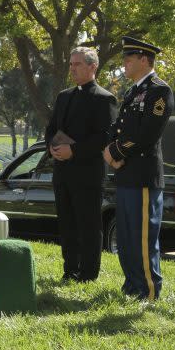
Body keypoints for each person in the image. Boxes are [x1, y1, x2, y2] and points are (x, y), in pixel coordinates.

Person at [104, 37, 173, 300]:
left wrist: (116, 152)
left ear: (144, 59)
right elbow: (118, 127)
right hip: (126, 173)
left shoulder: (159, 90)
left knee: (143, 236)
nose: (124, 64)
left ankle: (148, 289)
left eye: (128, 59)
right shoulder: (134, 91)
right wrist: (108, 149)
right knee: (127, 235)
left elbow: (147, 133)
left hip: (144, 174)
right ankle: (132, 284)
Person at [45, 47, 117, 282]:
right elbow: (52, 128)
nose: (72, 68)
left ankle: (88, 273)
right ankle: (70, 269)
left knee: (87, 224)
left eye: (77, 64)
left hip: (87, 173)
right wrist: (52, 148)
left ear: (92, 67)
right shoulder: (64, 96)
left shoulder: (104, 98)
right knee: (66, 223)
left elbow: (104, 137)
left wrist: (73, 151)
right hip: (62, 171)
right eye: (71, 64)